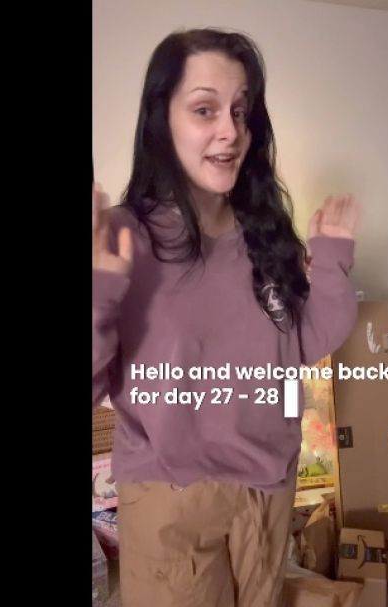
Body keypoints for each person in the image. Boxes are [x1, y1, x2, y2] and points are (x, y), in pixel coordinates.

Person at [92, 27, 361, 607]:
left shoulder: (266, 233)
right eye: (204, 109)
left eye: (241, 111)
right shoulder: (119, 237)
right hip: (170, 494)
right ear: (160, 119)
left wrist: (333, 263)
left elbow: (302, 341)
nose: (230, 131)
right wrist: (100, 294)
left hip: (267, 485)